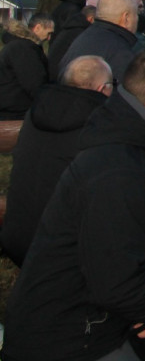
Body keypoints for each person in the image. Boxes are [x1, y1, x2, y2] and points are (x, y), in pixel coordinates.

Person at [2, 48, 145, 361]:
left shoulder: (133, 143)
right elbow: (116, 285)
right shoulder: (120, 172)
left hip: (94, 303)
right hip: (68, 334)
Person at [1, 56, 112, 267]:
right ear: (103, 89)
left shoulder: (35, 114)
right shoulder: (100, 125)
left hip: (17, 238)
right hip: (62, 254)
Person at [58, 0, 141, 85]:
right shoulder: (119, 50)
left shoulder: (85, 37)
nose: (137, 19)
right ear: (126, 18)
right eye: (136, 14)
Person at [0, 13, 53, 119]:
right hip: (18, 113)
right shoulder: (23, 49)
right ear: (38, 27)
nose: (49, 38)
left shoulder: (16, 47)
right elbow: (35, 83)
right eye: (49, 33)